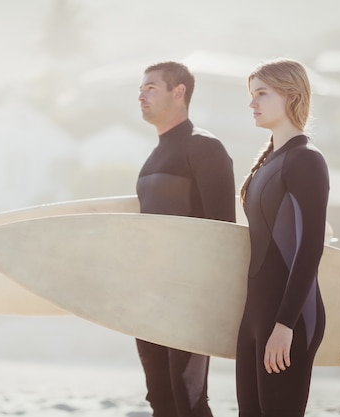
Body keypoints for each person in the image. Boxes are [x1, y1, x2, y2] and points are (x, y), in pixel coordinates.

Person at [136, 61, 236, 417]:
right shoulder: (152, 158)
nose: (141, 95)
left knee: (188, 398)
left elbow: (223, 233)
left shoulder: (205, 148)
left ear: (179, 92)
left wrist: (212, 304)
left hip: (190, 302)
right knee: (160, 400)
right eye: (141, 88)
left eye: (151, 87)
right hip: (151, 302)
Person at [236, 58, 329, 417]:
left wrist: (285, 324)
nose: (252, 103)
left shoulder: (306, 160)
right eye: (251, 94)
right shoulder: (266, 162)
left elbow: (310, 248)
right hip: (256, 316)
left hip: (291, 319)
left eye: (262, 93)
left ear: (290, 96)